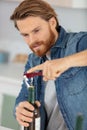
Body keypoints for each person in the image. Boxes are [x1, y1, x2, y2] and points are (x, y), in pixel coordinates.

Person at [10, 0, 87, 130]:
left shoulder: (78, 43)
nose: (32, 40)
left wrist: (65, 62)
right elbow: (24, 96)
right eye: (25, 35)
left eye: (36, 30)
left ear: (52, 22)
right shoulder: (33, 60)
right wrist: (19, 109)